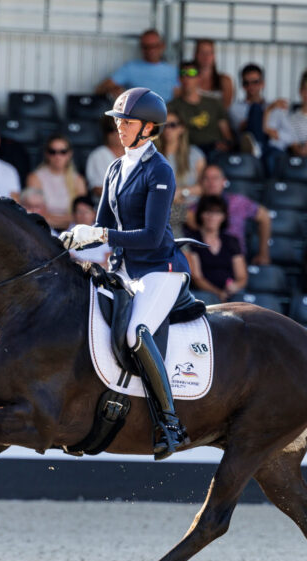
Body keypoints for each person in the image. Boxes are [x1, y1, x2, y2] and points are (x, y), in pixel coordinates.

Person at [58, 87, 189, 458]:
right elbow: (101, 228)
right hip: (124, 271)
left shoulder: (160, 170)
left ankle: (169, 422)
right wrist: (66, 242)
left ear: (149, 128)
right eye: (118, 120)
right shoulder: (116, 167)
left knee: (136, 330)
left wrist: (99, 234)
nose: (119, 127)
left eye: (127, 122)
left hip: (159, 269)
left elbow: (149, 236)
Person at [187, 164, 271, 265]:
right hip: (205, 262)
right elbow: (173, 212)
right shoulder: (193, 207)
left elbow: (265, 217)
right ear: (201, 183)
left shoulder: (238, 202)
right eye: (206, 178)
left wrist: (263, 253)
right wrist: (187, 192)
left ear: (224, 181)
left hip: (236, 260)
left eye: (215, 178)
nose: (211, 182)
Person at [183, 194, 246, 301]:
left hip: (230, 293)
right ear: (200, 215)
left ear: (223, 216)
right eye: (208, 212)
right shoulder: (192, 240)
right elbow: (197, 278)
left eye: (217, 212)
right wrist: (218, 293)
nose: (212, 217)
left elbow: (242, 276)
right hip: (203, 293)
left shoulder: (231, 241)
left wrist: (235, 286)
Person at [154, 110, 204, 234]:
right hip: (168, 209)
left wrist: (181, 192)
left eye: (172, 125)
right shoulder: (152, 156)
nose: (168, 130)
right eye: (163, 126)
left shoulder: (195, 154)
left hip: (193, 208)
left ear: (181, 128)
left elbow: (202, 188)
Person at [228, 63, 284, 173]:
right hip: (245, 148)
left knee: (276, 155)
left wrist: (275, 133)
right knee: (255, 108)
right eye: (246, 83)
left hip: (270, 147)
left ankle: (258, 148)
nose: (251, 87)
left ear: (262, 84)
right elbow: (243, 126)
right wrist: (268, 111)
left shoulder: (275, 108)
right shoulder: (235, 108)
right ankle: (257, 146)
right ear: (242, 86)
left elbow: (287, 135)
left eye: (255, 82)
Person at [168, 60, 232, 156]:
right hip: (188, 151)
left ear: (199, 78)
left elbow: (226, 132)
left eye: (191, 73)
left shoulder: (214, 103)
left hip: (215, 149)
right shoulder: (172, 106)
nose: (187, 77)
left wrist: (227, 145)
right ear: (179, 79)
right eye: (183, 74)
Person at [96, 29, 178, 102]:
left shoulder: (173, 71)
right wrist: (115, 90)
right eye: (146, 47)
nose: (151, 50)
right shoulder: (130, 68)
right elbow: (100, 89)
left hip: (167, 113)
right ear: (141, 47)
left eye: (154, 46)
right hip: (137, 114)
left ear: (162, 46)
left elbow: (180, 95)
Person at [26, 134, 87, 229]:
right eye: (52, 152)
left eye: (63, 152)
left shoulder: (78, 180)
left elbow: (83, 215)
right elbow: (35, 213)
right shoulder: (35, 177)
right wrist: (70, 219)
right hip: (43, 229)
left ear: (69, 154)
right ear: (46, 154)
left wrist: (51, 218)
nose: (57, 156)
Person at [86, 116, 123, 198]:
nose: (116, 133)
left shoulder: (134, 153)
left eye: (120, 129)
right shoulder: (97, 155)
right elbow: (97, 188)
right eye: (111, 130)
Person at [193, 39, 234, 110]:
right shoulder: (189, 79)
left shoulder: (225, 80)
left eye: (209, 53)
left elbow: (226, 108)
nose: (206, 57)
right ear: (196, 55)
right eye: (202, 53)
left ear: (214, 56)